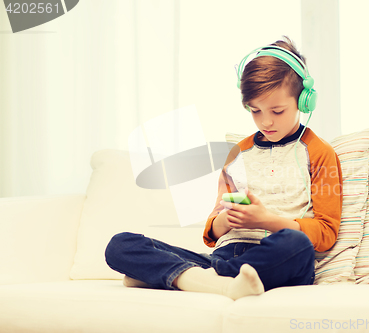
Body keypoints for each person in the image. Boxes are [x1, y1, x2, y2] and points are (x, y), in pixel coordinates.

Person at [104, 36, 343, 300]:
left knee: (297, 246)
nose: (266, 122)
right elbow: (212, 233)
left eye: (277, 111)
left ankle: (180, 277)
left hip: (274, 257)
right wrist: (223, 221)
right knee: (120, 245)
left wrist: (264, 220)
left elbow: (325, 234)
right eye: (255, 111)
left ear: (304, 100)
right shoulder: (238, 154)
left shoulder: (320, 153)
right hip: (222, 257)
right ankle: (222, 283)